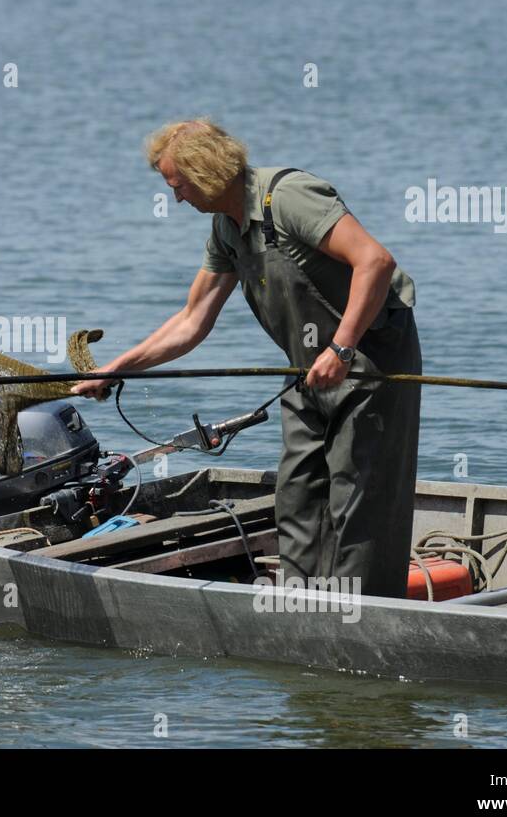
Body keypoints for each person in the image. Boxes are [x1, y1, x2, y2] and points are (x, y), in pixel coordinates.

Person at [73, 119, 422, 599]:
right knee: (297, 494)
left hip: (369, 359)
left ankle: (363, 612)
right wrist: (117, 368)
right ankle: (303, 608)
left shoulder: (291, 197)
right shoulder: (226, 229)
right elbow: (192, 320)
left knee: (358, 495)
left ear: (207, 173)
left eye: (178, 185)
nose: (175, 198)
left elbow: (374, 262)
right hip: (305, 371)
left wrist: (341, 348)